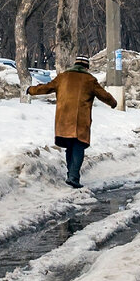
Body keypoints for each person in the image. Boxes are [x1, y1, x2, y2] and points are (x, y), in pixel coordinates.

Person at [27, 53, 117, 188]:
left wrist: (31, 90)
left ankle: (71, 174)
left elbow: (46, 88)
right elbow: (104, 95)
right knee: (79, 146)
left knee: (70, 146)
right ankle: (73, 177)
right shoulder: (89, 80)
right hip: (81, 119)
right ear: (86, 67)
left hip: (64, 118)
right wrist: (113, 103)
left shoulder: (62, 77)